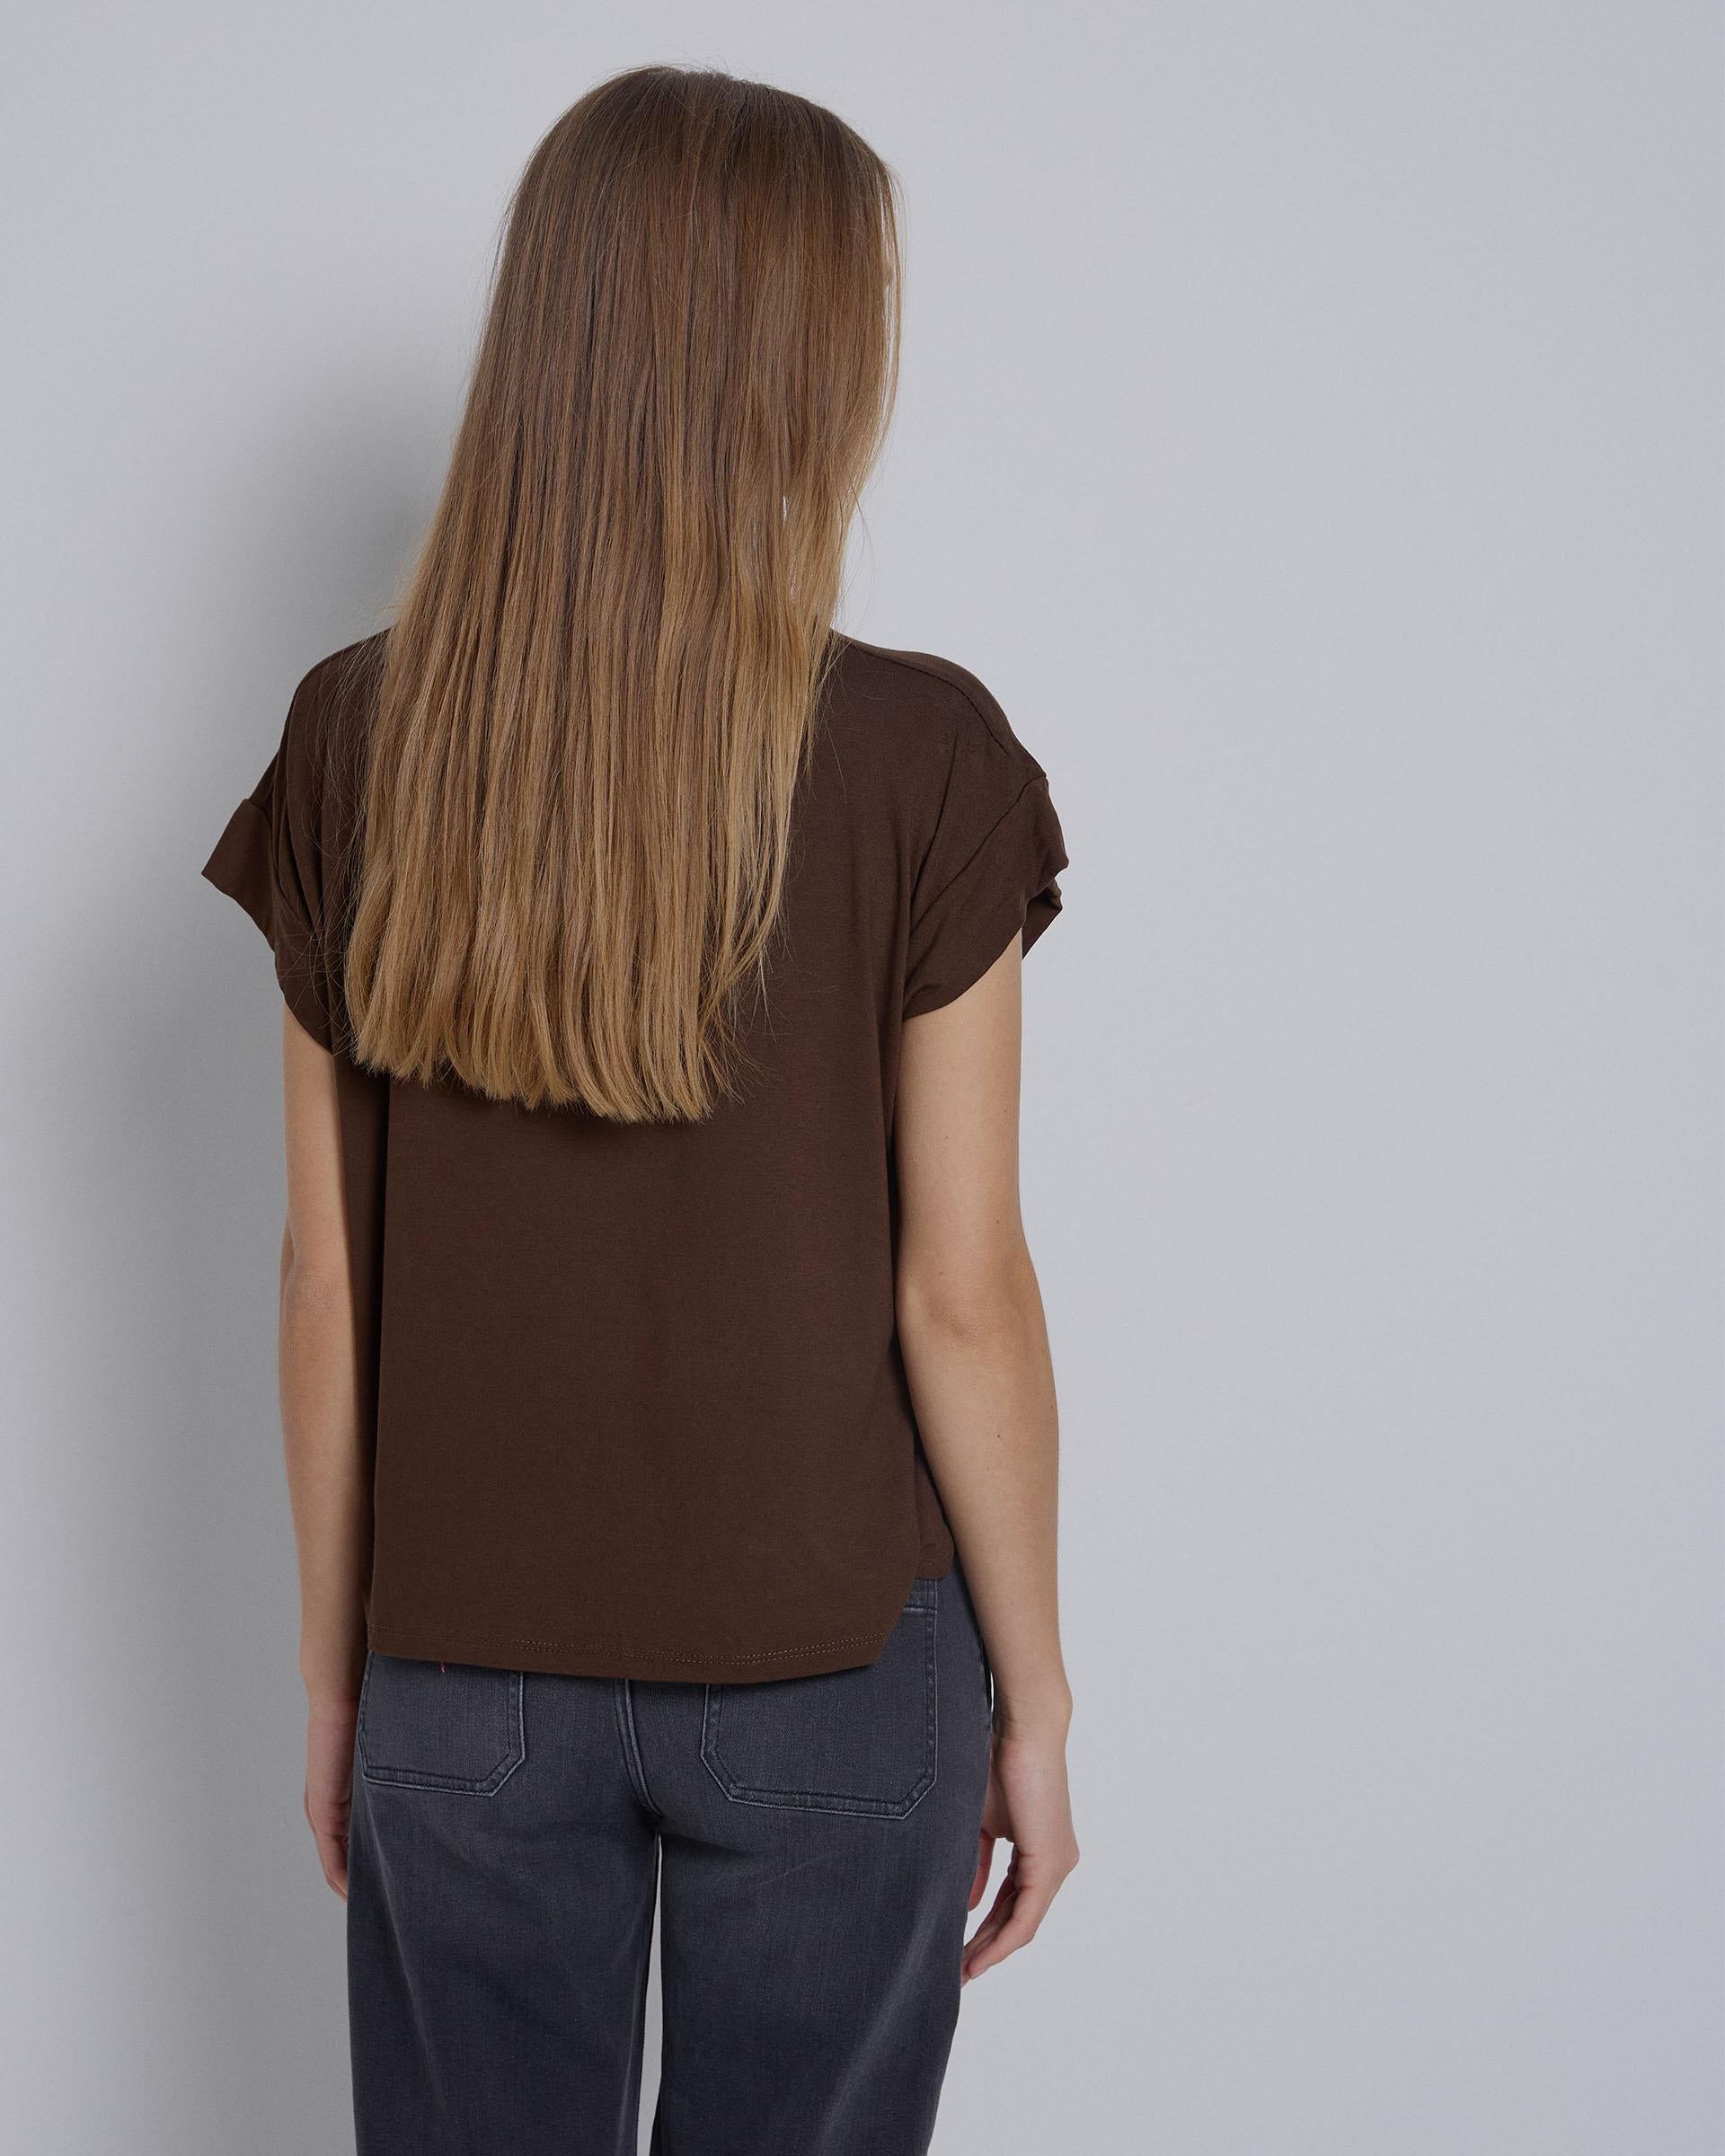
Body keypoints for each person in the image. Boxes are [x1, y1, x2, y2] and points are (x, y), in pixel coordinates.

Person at [203, 64, 1077, 2156]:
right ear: (802, 362)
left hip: (461, 1673)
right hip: (837, 1661)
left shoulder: (357, 735)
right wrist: (1037, 1702)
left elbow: (329, 1281)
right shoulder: (925, 756)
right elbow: (960, 1294)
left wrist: (340, 1679)